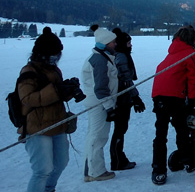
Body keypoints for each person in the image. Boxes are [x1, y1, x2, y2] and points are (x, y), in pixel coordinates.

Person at [18, 27, 81, 192]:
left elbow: (55, 96)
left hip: (57, 123)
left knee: (61, 162)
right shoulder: (29, 72)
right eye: (54, 54)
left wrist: (67, 89)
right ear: (43, 53)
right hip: (37, 127)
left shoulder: (54, 70)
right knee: (42, 170)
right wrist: (56, 90)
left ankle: (48, 189)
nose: (56, 57)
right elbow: (27, 98)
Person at [151, 26, 195, 185]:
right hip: (175, 96)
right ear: (192, 40)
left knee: (160, 134)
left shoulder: (171, 55)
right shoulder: (190, 54)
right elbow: (193, 79)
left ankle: (158, 170)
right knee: (181, 129)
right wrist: (194, 100)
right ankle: (189, 159)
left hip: (159, 96)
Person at [81, 26, 119, 182]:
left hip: (97, 102)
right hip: (100, 103)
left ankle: (90, 169)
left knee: (93, 135)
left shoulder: (101, 57)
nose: (115, 44)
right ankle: (96, 172)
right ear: (106, 43)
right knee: (98, 137)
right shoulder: (100, 60)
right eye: (113, 41)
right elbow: (101, 88)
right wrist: (109, 107)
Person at [109, 28, 146, 171]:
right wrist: (135, 97)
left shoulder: (120, 55)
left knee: (120, 128)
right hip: (121, 98)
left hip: (122, 97)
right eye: (129, 43)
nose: (131, 45)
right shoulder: (122, 57)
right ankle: (117, 160)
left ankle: (118, 158)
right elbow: (126, 80)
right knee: (120, 128)